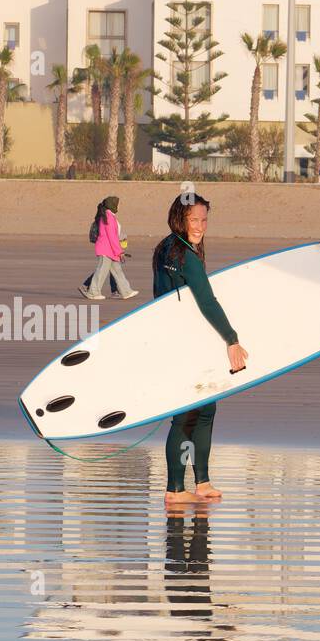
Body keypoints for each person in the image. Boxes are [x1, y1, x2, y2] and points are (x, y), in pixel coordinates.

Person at [152, 194, 248, 507]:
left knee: (205, 408)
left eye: (204, 220)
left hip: (178, 337)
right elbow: (207, 301)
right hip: (181, 343)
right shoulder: (185, 256)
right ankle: (175, 487)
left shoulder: (166, 246)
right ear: (180, 218)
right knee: (186, 415)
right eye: (194, 220)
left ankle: (202, 482)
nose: (200, 226)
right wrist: (231, 339)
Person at [80, 195, 137, 301]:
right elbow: (112, 237)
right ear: (113, 205)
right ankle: (93, 292)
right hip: (106, 250)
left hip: (110, 250)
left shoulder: (109, 216)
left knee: (117, 271)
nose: (120, 206)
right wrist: (120, 251)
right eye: (118, 204)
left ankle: (126, 291)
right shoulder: (108, 217)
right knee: (101, 271)